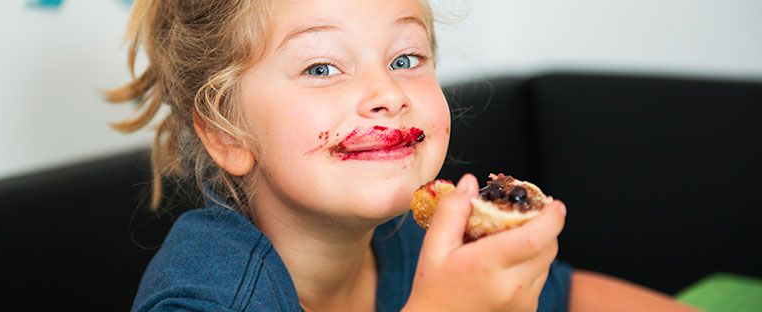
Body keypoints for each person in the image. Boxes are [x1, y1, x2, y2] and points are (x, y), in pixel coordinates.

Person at [108, 0, 700, 311]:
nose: (388, 94)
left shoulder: (412, 241)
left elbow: (571, 297)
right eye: (321, 67)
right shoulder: (203, 295)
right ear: (226, 134)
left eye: (405, 59)